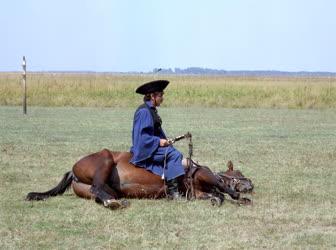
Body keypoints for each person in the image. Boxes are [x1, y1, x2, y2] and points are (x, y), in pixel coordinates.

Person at [130, 80, 185, 199]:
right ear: (152, 96)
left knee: (172, 150)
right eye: (160, 95)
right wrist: (159, 141)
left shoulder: (151, 110)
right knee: (174, 155)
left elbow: (153, 132)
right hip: (144, 149)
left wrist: (165, 141)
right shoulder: (144, 112)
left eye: (162, 95)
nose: (162, 98)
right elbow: (142, 138)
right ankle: (172, 192)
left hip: (151, 146)